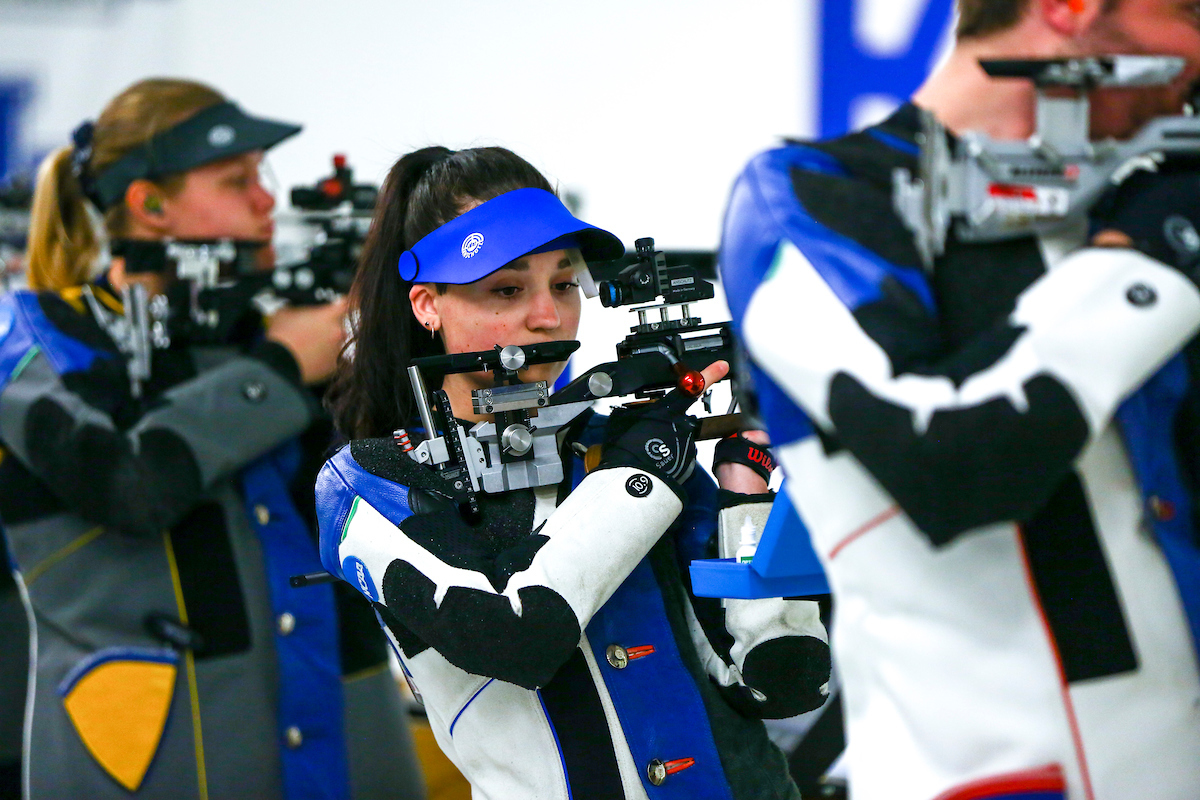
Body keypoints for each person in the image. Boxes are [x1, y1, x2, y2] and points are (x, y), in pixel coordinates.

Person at [718, 1, 1200, 799]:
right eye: (1186, 12)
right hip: (992, 777)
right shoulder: (805, 198)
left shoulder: (1134, 205)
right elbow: (950, 457)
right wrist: (1157, 251)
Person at [316, 145, 832, 800]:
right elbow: (515, 635)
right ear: (428, 304)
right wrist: (639, 476)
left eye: (563, 284)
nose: (547, 316)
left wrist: (744, 488)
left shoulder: (620, 447)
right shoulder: (369, 480)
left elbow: (781, 683)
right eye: (507, 288)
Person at [0, 78, 424, 799]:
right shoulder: (33, 342)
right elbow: (129, 483)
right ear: (150, 204)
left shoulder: (268, 331)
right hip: (150, 755)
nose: (267, 201)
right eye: (237, 180)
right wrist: (281, 367)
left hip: (350, 740)